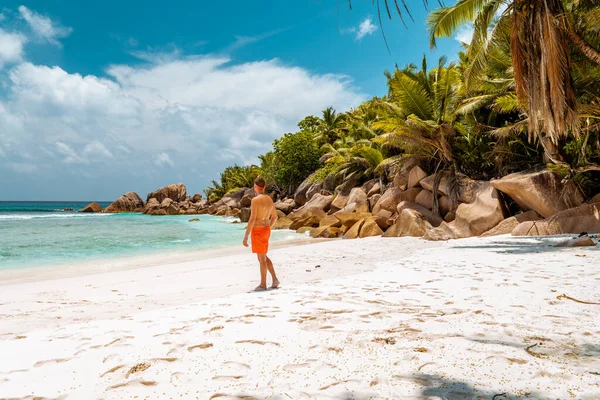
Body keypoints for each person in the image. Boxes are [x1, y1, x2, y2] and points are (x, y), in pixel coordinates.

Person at [243, 177, 280, 291]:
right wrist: (268, 227)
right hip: (265, 229)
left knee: (262, 259)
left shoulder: (255, 200)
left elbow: (252, 219)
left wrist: (246, 236)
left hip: (258, 230)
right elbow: (275, 216)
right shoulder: (269, 199)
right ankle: (274, 279)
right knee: (262, 256)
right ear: (264, 187)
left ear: (255, 186)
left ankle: (263, 284)